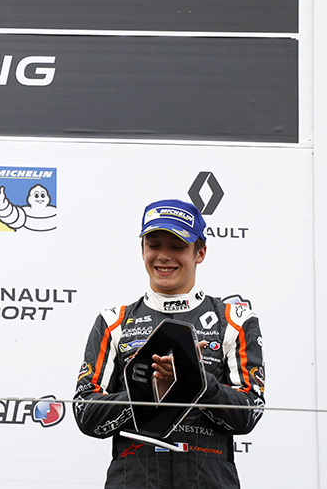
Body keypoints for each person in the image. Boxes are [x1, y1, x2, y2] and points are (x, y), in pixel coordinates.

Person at [74, 199, 265, 488]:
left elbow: (249, 414)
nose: (164, 256)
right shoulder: (113, 322)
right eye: (154, 245)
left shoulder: (235, 320)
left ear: (200, 252)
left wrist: (196, 381)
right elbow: (86, 414)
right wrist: (147, 390)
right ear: (142, 250)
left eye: (177, 247)